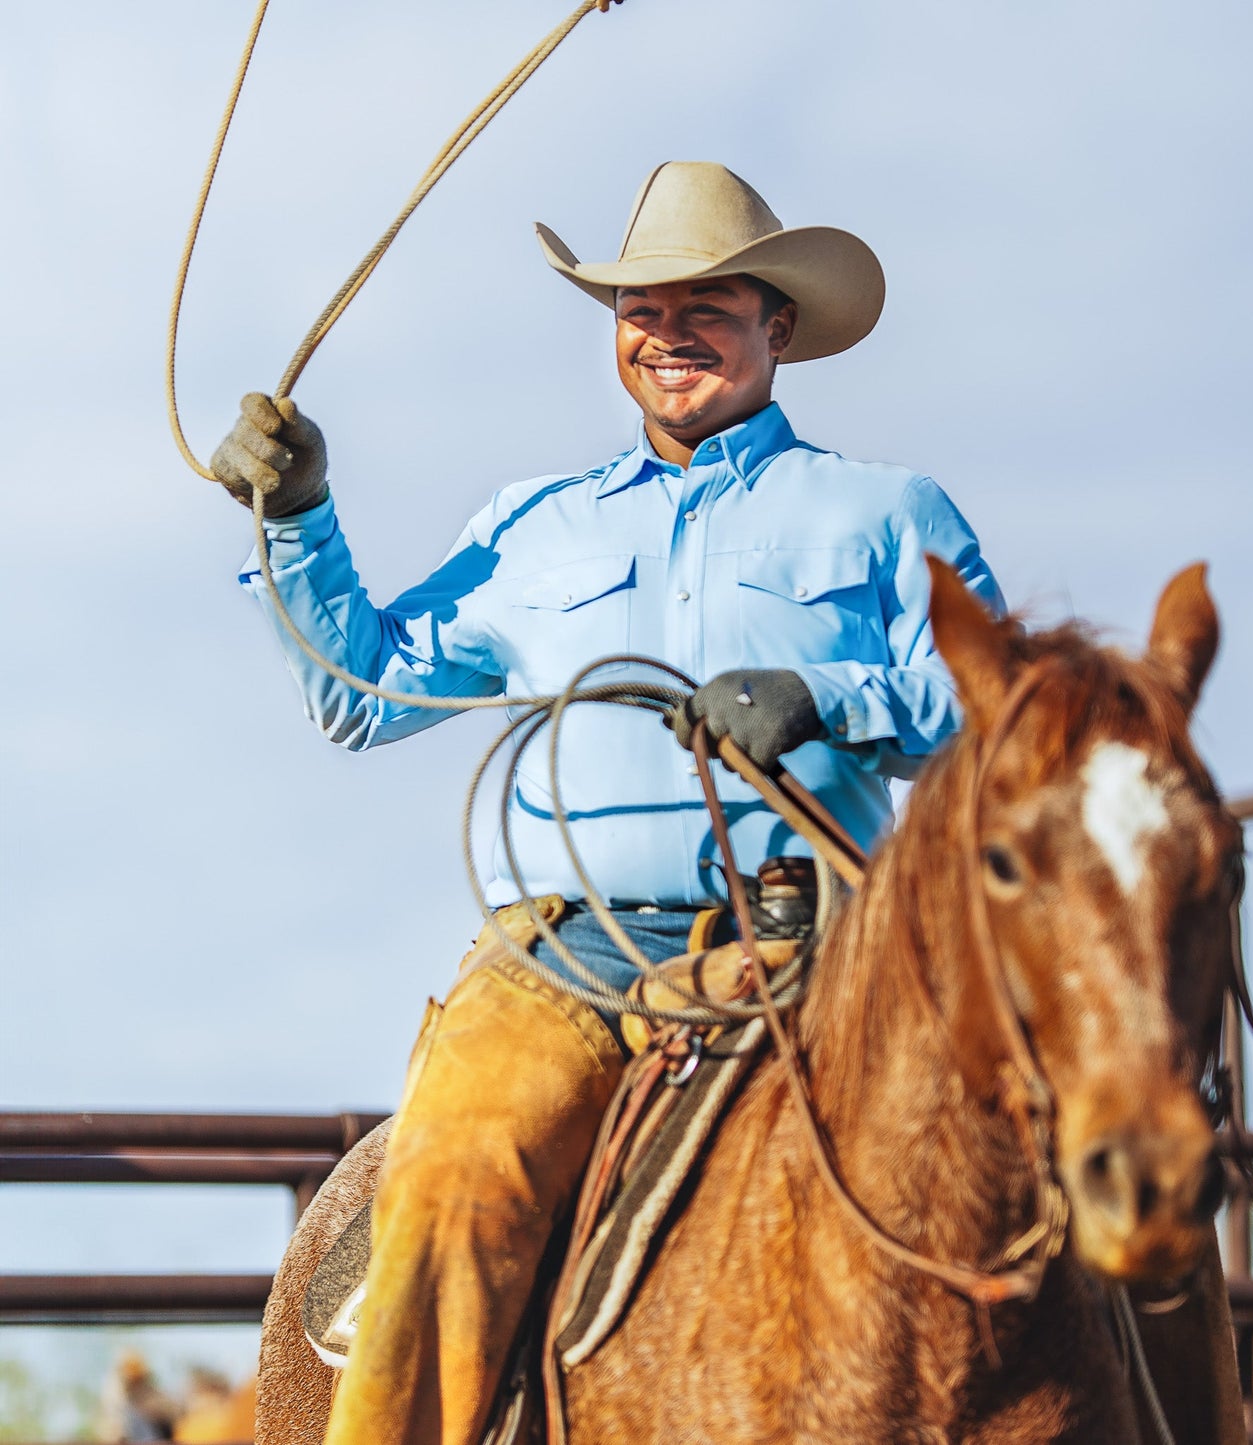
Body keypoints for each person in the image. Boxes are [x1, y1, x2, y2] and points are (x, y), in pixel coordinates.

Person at [212, 161, 1002, 1445]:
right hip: (568, 952)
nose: (668, 330)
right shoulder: (533, 526)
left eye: (707, 303)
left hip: (829, 948)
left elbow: (993, 711)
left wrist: (831, 693)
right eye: (641, 307)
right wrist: (298, 518)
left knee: (1060, 1179)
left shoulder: (884, 514)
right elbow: (364, 691)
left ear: (775, 329)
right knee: (453, 1187)